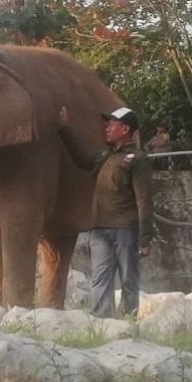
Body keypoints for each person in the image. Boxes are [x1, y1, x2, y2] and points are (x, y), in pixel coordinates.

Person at [57, 104, 154, 318]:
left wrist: (145, 238)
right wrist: (65, 129)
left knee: (129, 278)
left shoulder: (138, 160)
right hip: (99, 229)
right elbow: (81, 158)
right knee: (99, 278)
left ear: (125, 130)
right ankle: (100, 321)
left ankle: (128, 320)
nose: (107, 129)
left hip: (126, 230)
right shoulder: (104, 156)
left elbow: (144, 200)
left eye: (112, 125)